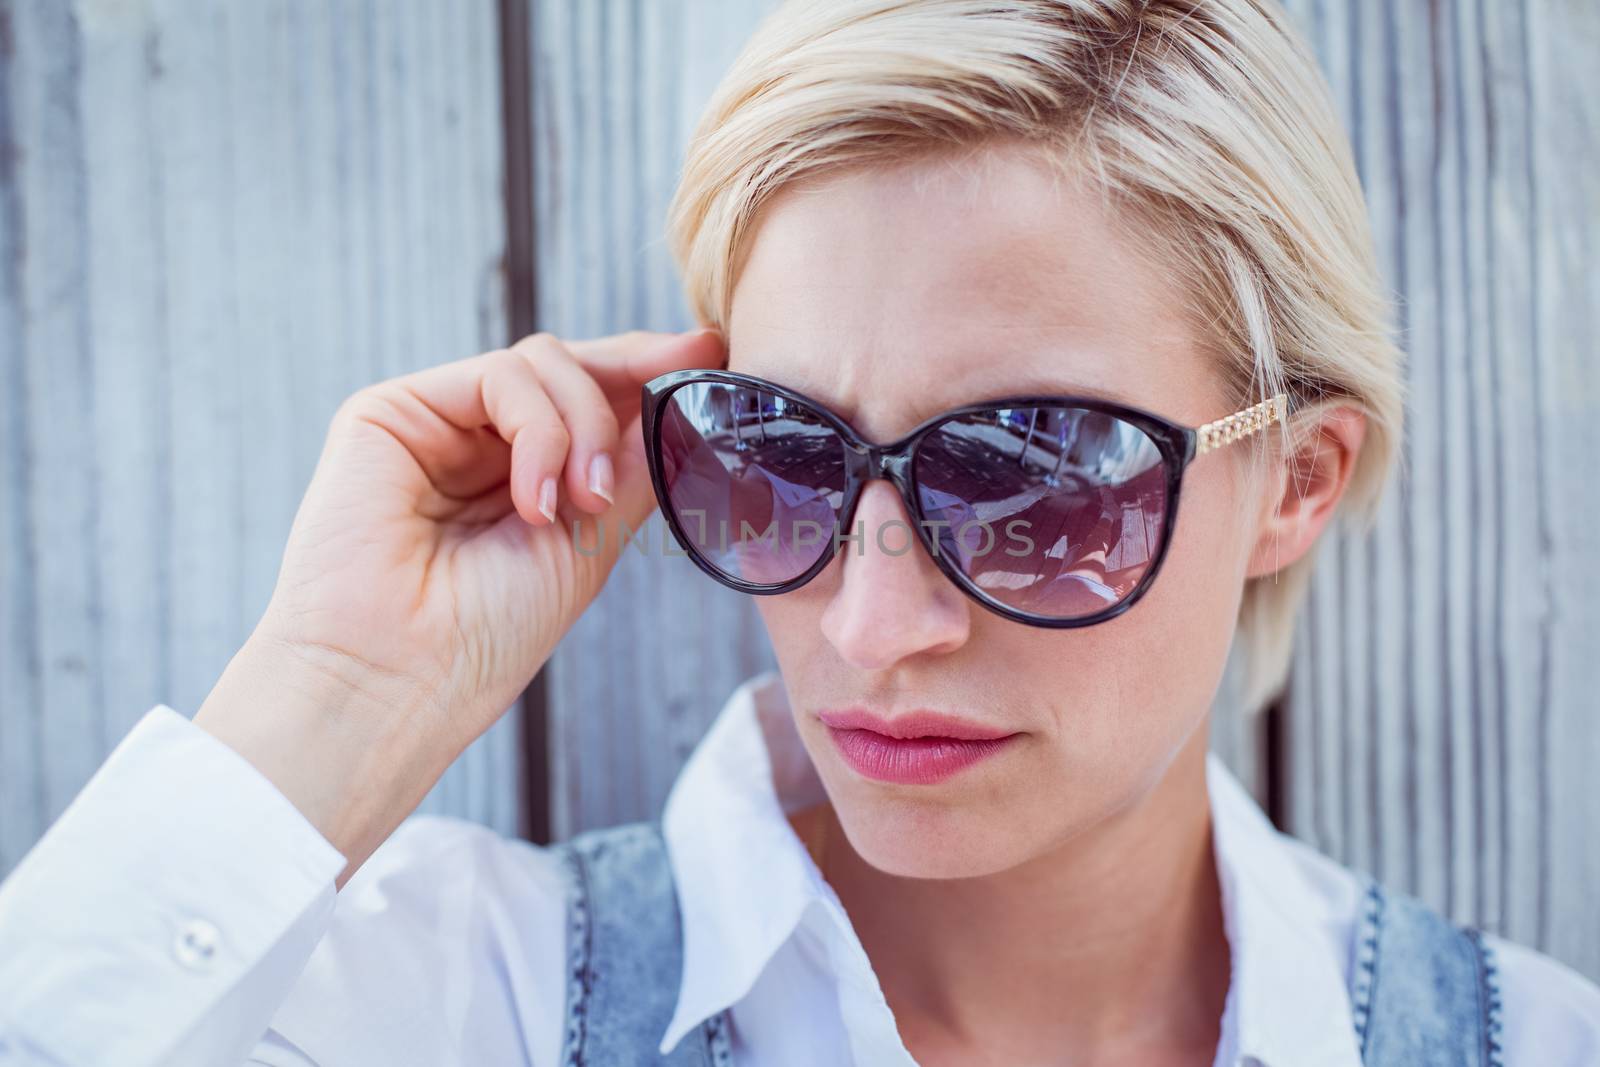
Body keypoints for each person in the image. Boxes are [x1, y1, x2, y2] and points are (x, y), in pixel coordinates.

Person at [2, 1, 1597, 1064]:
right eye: (783, 453)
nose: (870, 626)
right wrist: (337, 694)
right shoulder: (443, 1001)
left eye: (1034, 474)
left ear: (1300, 480)